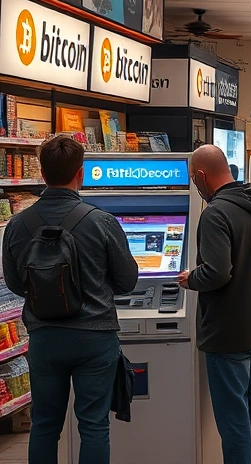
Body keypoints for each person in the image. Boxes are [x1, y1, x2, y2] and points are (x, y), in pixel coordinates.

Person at [1, 135, 138, 464]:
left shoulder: (19, 224)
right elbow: (127, 280)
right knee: (93, 425)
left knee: (45, 426)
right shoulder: (101, 221)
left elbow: (17, 283)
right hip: (95, 336)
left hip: (45, 336)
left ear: (43, 175)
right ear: (82, 172)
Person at [177, 145, 251, 464]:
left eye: (194, 178)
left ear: (203, 175)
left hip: (226, 330)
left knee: (233, 417)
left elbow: (218, 272)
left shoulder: (216, 213)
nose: (195, 185)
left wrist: (191, 278)